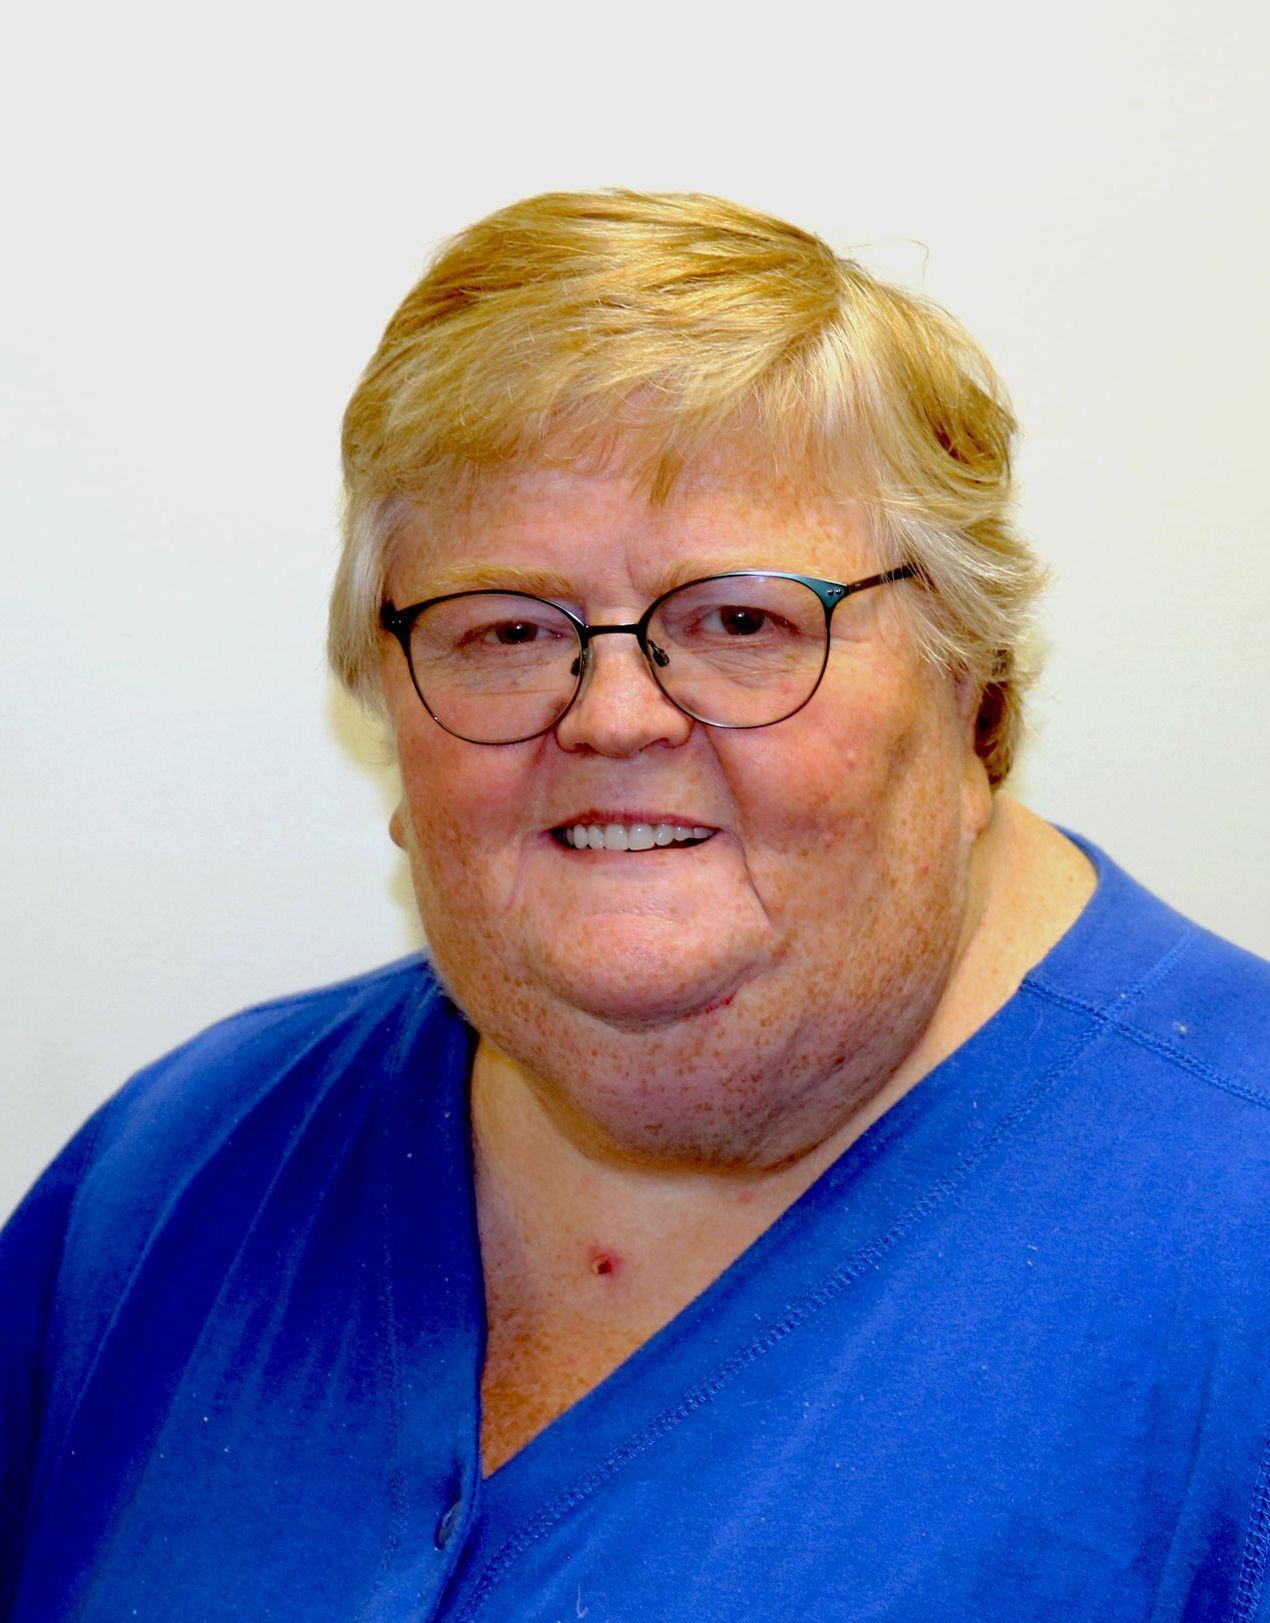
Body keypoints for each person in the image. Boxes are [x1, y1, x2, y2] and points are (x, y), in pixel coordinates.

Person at [2, 190, 1268, 1623]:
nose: (612, 715)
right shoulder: (180, 1175)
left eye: (740, 622)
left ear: (969, 684)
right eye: (504, 631)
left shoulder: (1234, 1240)